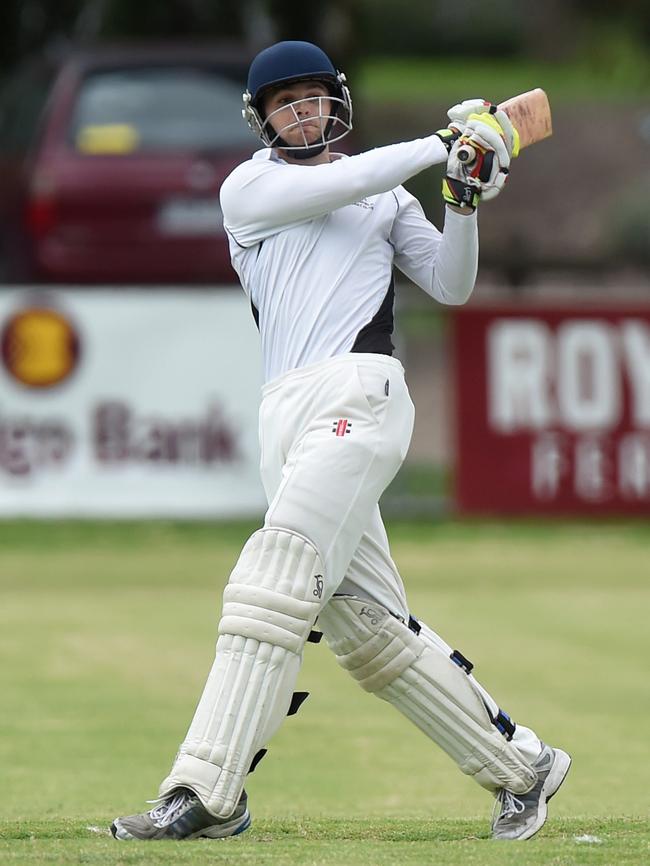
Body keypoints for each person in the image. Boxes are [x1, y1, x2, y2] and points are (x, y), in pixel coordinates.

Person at [111, 40, 570, 843]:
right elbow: (347, 180)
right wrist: (446, 144)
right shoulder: (249, 187)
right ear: (262, 119)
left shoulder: (388, 200)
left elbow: (452, 285)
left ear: (336, 100)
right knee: (366, 628)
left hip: (359, 395)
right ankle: (524, 768)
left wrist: (461, 198)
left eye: (314, 97)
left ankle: (206, 791)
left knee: (272, 579)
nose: (303, 112)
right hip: (283, 416)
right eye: (285, 102)